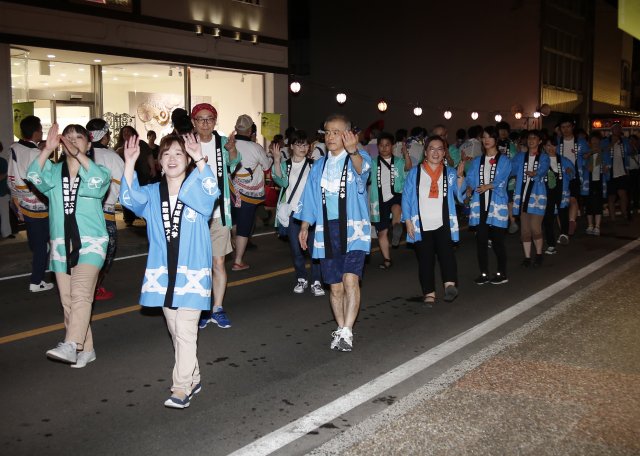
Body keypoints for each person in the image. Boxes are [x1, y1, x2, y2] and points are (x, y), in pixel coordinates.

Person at [120, 133, 219, 409]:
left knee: (186, 331)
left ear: (186, 160)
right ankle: (194, 377)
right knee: (176, 331)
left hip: (193, 270)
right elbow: (129, 199)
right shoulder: (152, 193)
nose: (172, 158)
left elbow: (213, 194)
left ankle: (180, 388)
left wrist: (200, 158)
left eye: (179, 153)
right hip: (163, 272)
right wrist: (129, 163)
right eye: (166, 154)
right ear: (159, 162)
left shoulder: (196, 186)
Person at [27, 123, 111, 367]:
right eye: (68, 138)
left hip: (91, 243)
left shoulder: (98, 170)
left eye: (79, 137)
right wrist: (46, 150)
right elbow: (33, 176)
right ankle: (87, 348)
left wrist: (78, 156)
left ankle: (70, 344)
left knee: (81, 293)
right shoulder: (53, 172)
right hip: (61, 244)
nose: (73, 141)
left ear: (89, 143)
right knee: (68, 301)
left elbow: (97, 181)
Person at [296, 114, 372, 352]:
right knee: (335, 286)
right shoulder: (318, 166)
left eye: (336, 132)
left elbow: (363, 171)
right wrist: (305, 226)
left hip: (353, 228)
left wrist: (354, 152)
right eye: (327, 132)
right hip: (326, 230)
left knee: (350, 279)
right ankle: (340, 328)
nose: (330, 137)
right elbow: (309, 197)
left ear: (348, 134)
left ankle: (348, 330)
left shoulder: (358, 158)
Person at [189, 103, 239, 330]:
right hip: (193, 214)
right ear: (194, 122)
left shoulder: (222, 144)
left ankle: (217, 308)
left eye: (209, 118)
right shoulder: (187, 144)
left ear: (215, 121)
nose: (205, 123)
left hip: (219, 213)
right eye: (200, 119)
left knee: (218, 263)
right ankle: (202, 308)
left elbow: (234, 164)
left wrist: (231, 150)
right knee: (199, 265)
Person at [402, 135, 460, 304]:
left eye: (440, 149)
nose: (436, 152)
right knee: (425, 260)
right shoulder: (415, 172)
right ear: (425, 152)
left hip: (444, 222)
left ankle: (450, 285)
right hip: (421, 223)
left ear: (444, 153)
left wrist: (461, 180)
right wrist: (407, 221)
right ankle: (429, 293)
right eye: (431, 149)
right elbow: (406, 197)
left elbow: (460, 195)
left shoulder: (450, 173)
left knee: (447, 255)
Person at [271, 130, 324, 296]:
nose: (303, 147)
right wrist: (277, 160)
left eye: (305, 144)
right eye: (299, 144)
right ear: (291, 146)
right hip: (293, 213)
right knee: (296, 249)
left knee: (314, 249)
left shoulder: (314, 164)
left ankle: (316, 281)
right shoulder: (285, 165)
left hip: (312, 213)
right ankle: (302, 278)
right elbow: (280, 181)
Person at [459, 126, 511, 285]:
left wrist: (489, 185)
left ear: (496, 139)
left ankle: (502, 273)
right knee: (481, 242)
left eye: (490, 137)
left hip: (496, 205)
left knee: (497, 242)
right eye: (484, 137)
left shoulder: (504, 160)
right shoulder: (477, 161)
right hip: (480, 206)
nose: (486, 140)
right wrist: (465, 182)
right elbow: (471, 180)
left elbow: (503, 177)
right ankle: (483, 273)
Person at [8, 115, 53, 291]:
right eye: (41, 130)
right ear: (35, 133)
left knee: (37, 243)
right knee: (44, 244)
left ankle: (41, 267)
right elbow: (47, 179)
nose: (41, 133)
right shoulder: (35, 154)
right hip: (38, 205)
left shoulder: (14, 147)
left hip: (22, 202)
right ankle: (37, 281)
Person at [87, 118, 125, 300]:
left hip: (81, 213)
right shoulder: (112, 157)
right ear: (105, 136)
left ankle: (83, 284)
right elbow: (124, 185)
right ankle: (95, 287)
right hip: (104, 213)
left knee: (85, 251)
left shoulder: (78, 154)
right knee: (105, 252)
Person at [229, 114, 272, 270]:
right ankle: (238, 261)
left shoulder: (228, 145)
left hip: (231, 192)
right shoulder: (256, 148)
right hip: (249, 194)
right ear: (250, 131)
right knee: (244, 227)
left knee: (233, 221)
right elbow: (267, 167)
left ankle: (234, 241)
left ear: (236, 129)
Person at [369, 131, 411, 268]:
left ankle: (396, 226)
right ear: (378, 147)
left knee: (397, 206)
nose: (384, 148)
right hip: (379, 200)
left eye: (387, 145)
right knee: (382, 233)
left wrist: (406, 154)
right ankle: (387, 259)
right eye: (381, 145)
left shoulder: (398, 161)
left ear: (392, 146)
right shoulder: (372, 163)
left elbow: (408, 167)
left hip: (396, 194)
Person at [512, 130, 550, 267]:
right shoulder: (520, 156)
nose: (531, 140)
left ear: (540, 141)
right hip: (522, 196)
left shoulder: (544, 157)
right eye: (529, 138)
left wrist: (536, 173)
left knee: (535, 227)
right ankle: (527, 257)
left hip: (537, 196)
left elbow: (544, 169)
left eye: (534, 138)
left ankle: (539, 254)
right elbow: (511, 169)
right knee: (525, 230)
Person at [115, 125, 155, 226]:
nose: (126, 134)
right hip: (127, 176)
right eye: (124, 132)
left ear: (134, 133)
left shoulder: (141, 143)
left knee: (144, 196)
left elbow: (149, 156)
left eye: (129, 132)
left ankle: (146, 217)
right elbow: (113, 159)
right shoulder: (119, 145)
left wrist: (153, 168)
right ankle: (129, 219)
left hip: (143, 174)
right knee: (127, 194)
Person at [542, 136, 575, 254]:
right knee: (548, 218)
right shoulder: (541, 160)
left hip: (561, 191)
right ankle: (551, 244)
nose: (550, 148)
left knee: (563, 213)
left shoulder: (564, 160)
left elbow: (572, 174)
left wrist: (569, 172)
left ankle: (564, 234)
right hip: (546, 192)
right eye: (547, 145)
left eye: (553, 145)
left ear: (556, 146)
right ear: (544, 147)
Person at [557, 117, 588, 235]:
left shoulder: (580, 142)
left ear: (572, 127)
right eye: (563, 127)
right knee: (561, 202)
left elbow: (588, 154)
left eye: (568, 126)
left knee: (573, 199)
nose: (565, 129)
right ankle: (564, 230)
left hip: (575, 175)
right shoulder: (557, 141)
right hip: (560, 175)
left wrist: (585, 157)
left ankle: (571, 222)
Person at [602, 122, 630, 222]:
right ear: (612, 130)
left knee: (623, 194)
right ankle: (612, 218)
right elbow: (602, 151)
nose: (618, 130)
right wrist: (612, 143)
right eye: (616, 128)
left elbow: (628, 155)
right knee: (612, 196)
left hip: (622, 172)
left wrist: (627, 169)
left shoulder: (625, 141)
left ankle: (624, 214)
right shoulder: (605, 141)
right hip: (610, 172)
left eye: (619, 128)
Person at [582, 132, 608, 236]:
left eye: (597, 140)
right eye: (593, 140)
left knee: (598, 204)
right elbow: (583, 163)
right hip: (588, 182)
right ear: (589, 142)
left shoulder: (603, 153)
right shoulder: (586, 153)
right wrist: (590, 153)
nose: (595, 142)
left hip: (600, 181)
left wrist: (606, 168)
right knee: (589, 204)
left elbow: (607, 165)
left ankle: (597, 226)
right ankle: (590, 225)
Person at [496, 121, 519, 234]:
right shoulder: (493, 143)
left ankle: (512, 221)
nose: (503, 132)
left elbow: (515, 161)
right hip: (495, 178)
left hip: (509, 177)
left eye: (505, 130)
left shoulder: (512, 145)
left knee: (509, 200)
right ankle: (499, 223)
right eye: (501, 130)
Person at [0, 142, 14, 239]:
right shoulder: (3, 161)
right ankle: (6, 233)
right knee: (4, 213)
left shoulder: (2, 161)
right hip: (3, 191)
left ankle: (7, 233)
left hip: (3, 191)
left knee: (4, 213)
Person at [628, 134, 640, 216]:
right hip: (629, 172)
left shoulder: (638, 149)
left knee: (637, 189)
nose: (632, 141)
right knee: (630, 189)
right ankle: (630, 205)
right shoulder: (626, 150)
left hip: (637, 171)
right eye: (630, 140)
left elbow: (638, 163)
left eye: (633, 140)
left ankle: (636, 204)